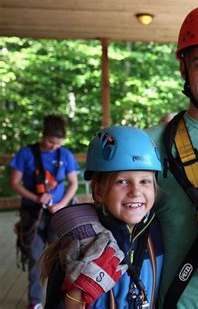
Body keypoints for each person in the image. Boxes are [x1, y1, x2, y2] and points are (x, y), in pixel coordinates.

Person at [55, 5, 198, 308]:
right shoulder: (148, 144)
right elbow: (99, 196)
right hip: (175, 300)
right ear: (183, 68)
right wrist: (86, 231)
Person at [42, 126, 164, 308]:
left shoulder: (156, 233)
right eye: (122, 181)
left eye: (145, 181)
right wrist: (75, 294)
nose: (136, 191)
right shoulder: (79, 243)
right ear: (98, 190)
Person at [9, 114, 79, 309]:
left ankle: (61, 299)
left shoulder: (64, 154)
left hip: (58, 213)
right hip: (32, 213)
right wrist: (36, 198)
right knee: (35, 257)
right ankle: (35, 300)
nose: (53, 147)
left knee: (61, 256)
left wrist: (62, 203)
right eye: (50, 142)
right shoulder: (26, 153)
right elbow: (14, 182)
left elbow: (73, 183)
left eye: (57, 143)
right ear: (43, 135)